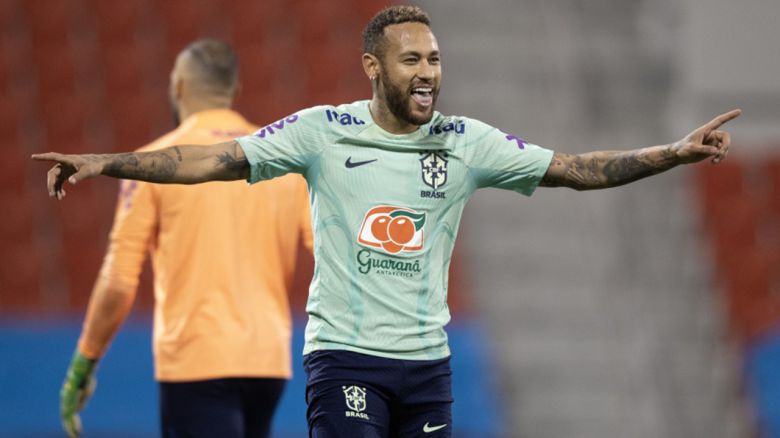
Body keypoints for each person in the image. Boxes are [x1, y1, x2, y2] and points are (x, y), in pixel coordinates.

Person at [35, 6, 740, 438]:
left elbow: (577, 169)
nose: (428, 71)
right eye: (411, 60)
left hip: (428, 367)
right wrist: (108, 162)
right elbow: (210, 161)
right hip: (345, 358)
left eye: (434, 58)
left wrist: (673, 152)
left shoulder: (466, 142)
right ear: (373, 67)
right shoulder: (322, 132)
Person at [56, 39, 312, 438]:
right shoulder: (280, 164)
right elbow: (327, 249)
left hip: (195, 361)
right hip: (268, 363)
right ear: (235, 91)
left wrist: (83, 364)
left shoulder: (151, 165)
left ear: (177, 87)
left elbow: (119, 280)